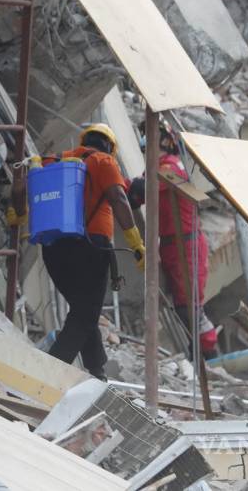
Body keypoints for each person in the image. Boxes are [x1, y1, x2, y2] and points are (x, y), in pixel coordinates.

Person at [39, 124, 146, 380]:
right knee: (85, 312)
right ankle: (48, 372)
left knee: (83, 309)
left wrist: (18, 218)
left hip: (53, 248)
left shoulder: (57, 161)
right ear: (110, 146)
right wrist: (135, 243)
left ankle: (97, 371)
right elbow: (119, 199)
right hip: (90, 247)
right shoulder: (104, 161)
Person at [127, 127, 218, 359]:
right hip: (170, 244)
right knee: (180, 305)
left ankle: (209, 355)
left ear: (166, 143)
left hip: (186, 245)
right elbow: (136, 198)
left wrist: (126, 184)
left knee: (190, 305)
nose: (148, 150)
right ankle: (198, 354)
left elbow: (144, 188)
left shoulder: (171, 166)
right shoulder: (155, 170)